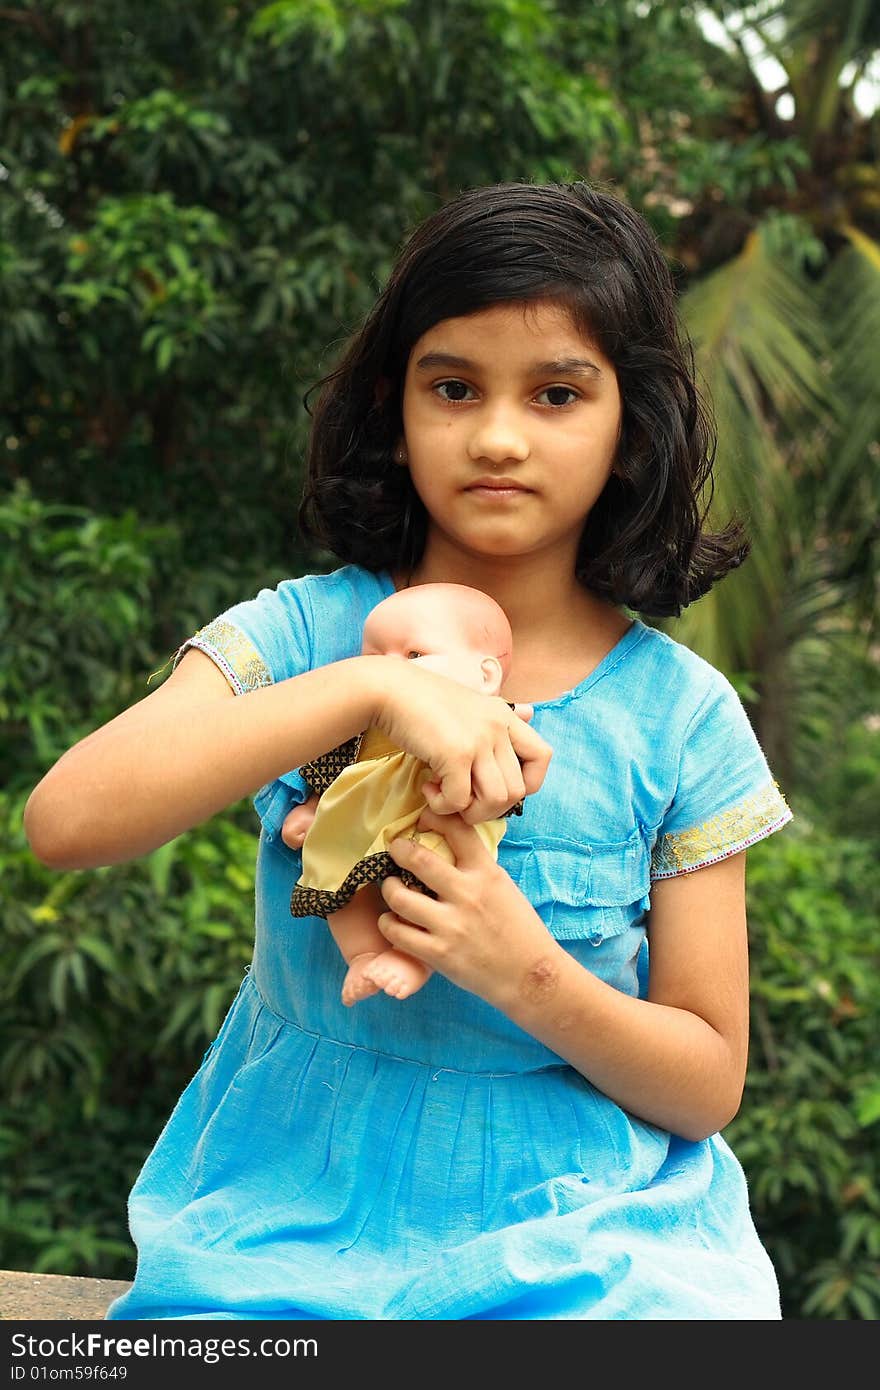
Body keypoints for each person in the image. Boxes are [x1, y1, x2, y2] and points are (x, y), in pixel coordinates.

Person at [24, 179, 794, 1321]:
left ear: (630, 423)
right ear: (395, 408)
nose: (496, 434)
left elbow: (705, 1081)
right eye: (453, 386)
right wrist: (375, 681)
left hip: (595, 1241)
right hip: (285, 1221)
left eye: (555, 393)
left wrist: (517, 963)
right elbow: (66, 821)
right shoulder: (300, 635)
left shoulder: (680, 718)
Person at [285, 581, 520, 1005]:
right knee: (335, 876)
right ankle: (362, 955)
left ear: (485, 676)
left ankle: (414, 957)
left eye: (414, 655)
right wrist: (313, 808)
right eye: (374, 658)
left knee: (437, 884)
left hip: (435, 825)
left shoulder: (490, 722)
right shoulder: (362, 723)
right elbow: (337, 768)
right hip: (360, 817)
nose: (389, 670)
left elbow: (508, 779)